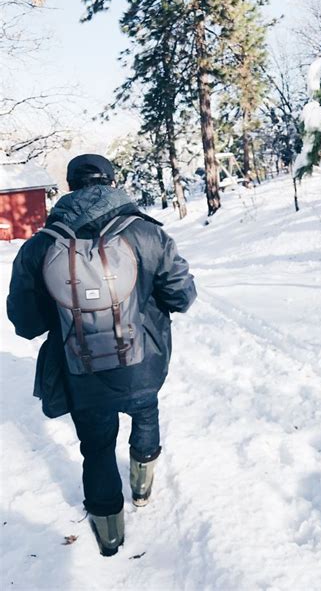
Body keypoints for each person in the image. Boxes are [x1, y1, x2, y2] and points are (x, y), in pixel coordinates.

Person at [7, 154, 196, 556]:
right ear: (112, 182)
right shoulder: (147, 234)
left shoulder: (40, 247)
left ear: (71, 187)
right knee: (145, 412)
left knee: (95, 446)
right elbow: (182, 296)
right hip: (143, 364)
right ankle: (142, 490)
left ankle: (110, 535)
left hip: (82, 372)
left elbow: (24, 322)